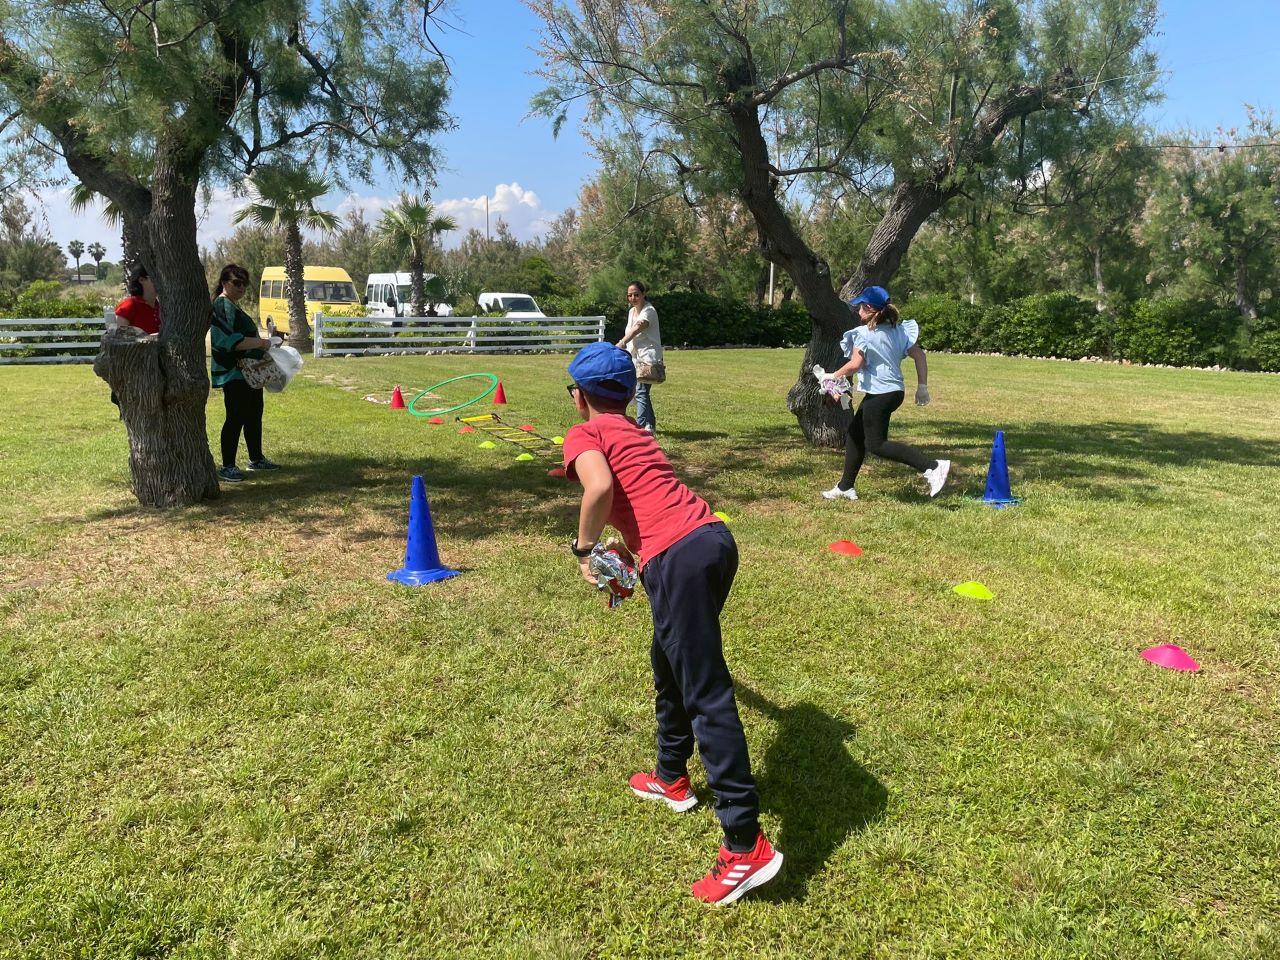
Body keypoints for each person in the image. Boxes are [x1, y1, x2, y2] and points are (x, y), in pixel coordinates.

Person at [562, 342, 782, 906]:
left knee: (706, 691)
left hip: (679, 556)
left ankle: (744, 846)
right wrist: (630, 554)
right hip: (711, 540)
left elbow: (601, 489)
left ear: (580, 397)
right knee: (669, 659)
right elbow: (645, 498)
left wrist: (585, 549)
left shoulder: (585, 433)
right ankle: (671, 775)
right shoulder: (636, 431)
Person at [820, 285, 950, 501]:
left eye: (861, 307)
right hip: (893, 392)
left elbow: (855, 365)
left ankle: (933, 467)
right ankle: (845, 487)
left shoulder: (863, 334)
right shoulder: (900, 331)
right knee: (855, 434)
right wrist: (922, 387)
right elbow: (920, 357)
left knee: (876, 445)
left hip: (881, 395)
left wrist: (832, 376)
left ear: (869, 308)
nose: (858, 311)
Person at [210, 264, 279, 483]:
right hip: (235, 372)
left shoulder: (232, 305)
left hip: (249, 373)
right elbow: (229, 341)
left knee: (253, 414)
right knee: (235, 417)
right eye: (236, 283)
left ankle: (256, 459)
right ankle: (228, 466)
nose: (241, 288)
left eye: (244, 284)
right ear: (224, 282)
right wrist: (262, 342)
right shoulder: (222, 305)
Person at [615, 281, 663, 433]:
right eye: (630, 295)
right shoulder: (631, 312)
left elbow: (638, 328)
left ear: (643, 294)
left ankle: (641, 427)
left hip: (647, 356)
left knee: (641, 391)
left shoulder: (649, 311)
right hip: (634, 357)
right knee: (641, 392)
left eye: (636, 294)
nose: (633, 298)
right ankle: (650, 425)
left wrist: (622, 342)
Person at [113, 267, 160, 335]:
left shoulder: (159, 305)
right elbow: (120, 338)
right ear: (141, 279)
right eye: (156, 277)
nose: (161, 281)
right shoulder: (129, 304)